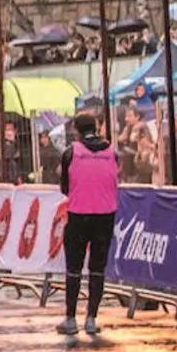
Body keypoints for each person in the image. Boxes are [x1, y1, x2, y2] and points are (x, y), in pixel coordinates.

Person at [57, 113, 118, 336]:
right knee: (97, 268)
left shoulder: (70, 153)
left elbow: (64, 187)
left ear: (76, 130)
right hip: (105, 215)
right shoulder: (113, 152)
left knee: (74, 267)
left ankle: (70, 319)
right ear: (97, 126)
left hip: (79, 213)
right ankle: (91, 318)